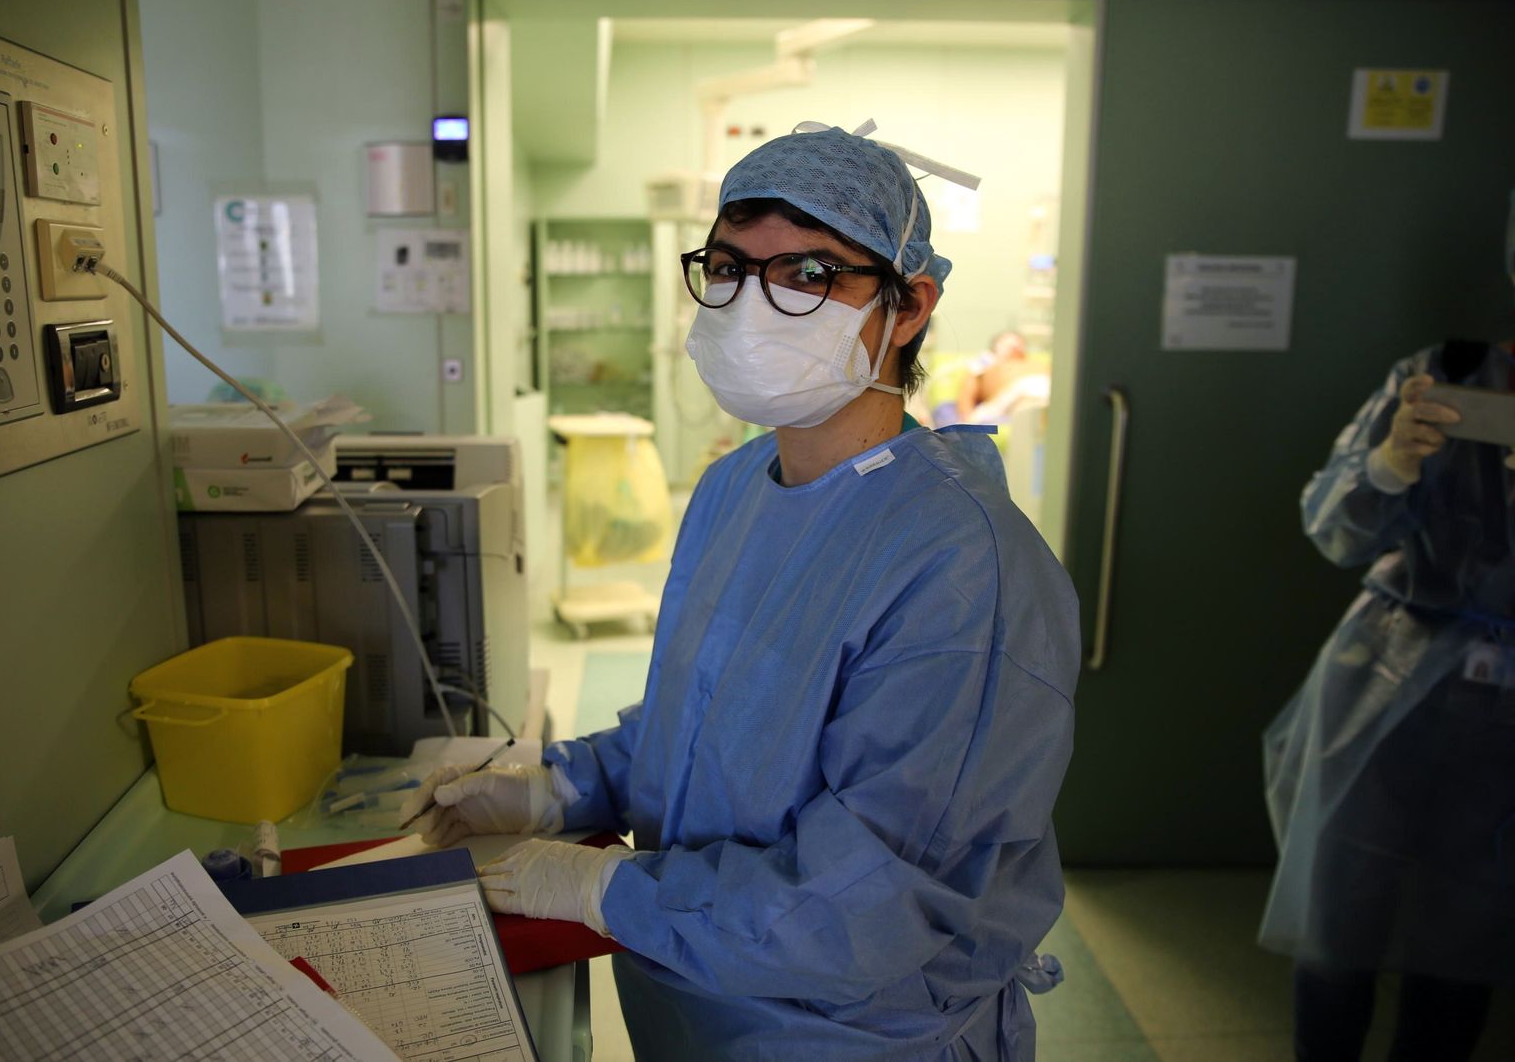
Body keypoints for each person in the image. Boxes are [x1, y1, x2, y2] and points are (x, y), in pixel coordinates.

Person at [400, 121, 1080, 1061]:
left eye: (807, 275)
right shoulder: (734, 488)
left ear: (909, 306)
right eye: (727, 267)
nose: (750, 302)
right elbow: (704, 729)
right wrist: (554, 791)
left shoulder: (965, 569)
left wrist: (608, 892)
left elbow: (870, 904)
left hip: (852, 1036)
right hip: (691, 1006)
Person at [1259, 314, 1515, 1058]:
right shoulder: (1446, 369)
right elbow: (1332, 526)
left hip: (1501, 734)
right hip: (1384, 688)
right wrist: (1393, 459)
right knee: (1340, 924)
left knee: (1465, 942)